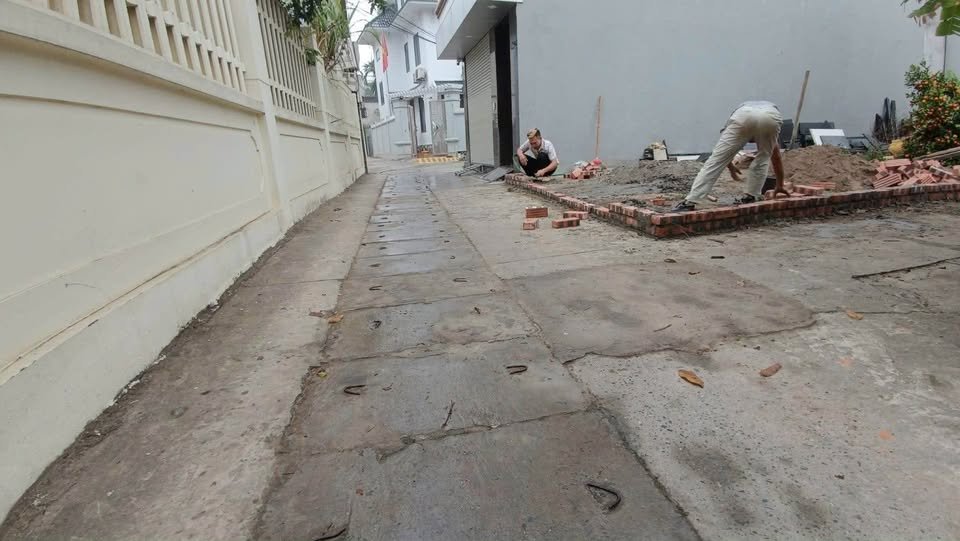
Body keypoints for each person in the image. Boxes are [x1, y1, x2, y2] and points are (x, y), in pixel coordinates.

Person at [673, 101, 788, 212]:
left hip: (744, 115)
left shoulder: (737, 119)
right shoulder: (768, 134)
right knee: (763, 158)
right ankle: (751, 196)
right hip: (771, 117)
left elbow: (723, 154)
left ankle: (690, 202)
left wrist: (730, 166)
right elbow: (776, 158)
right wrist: (779, 185)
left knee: (715, 160)